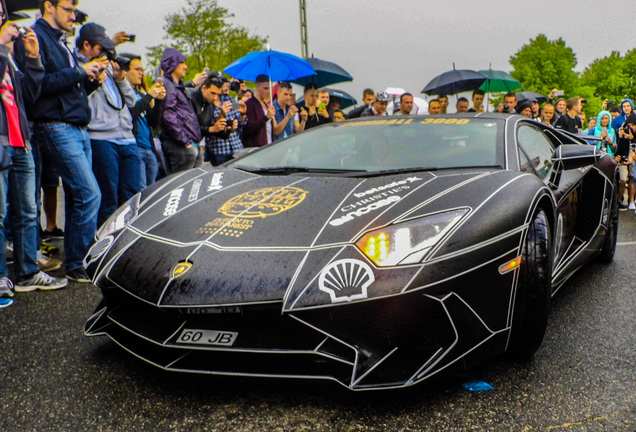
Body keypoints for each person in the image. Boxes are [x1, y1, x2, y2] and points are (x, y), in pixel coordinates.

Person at [18, 0, 108, 284]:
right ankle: (79, 261)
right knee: (89, 193)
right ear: (49, 6)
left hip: (76, 126)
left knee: (77, 194)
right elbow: (38, 87)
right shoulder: (34, 37)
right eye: (69, 9)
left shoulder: (60, 41)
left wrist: (91, 80)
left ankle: (75, 260)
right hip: (55, 126)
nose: (73, 16)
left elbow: (66, 86)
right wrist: (81, 71)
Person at [0, 12, 68, 304]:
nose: (12, 25)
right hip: (2, 141)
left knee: (28, 211)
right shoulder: (3, 50)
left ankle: (28, 273)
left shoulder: (12, 54)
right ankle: (3, 277)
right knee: (0, 214)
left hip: (21, 141)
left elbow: (28, 93)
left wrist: (33, 57)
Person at [75, 24, 141, 228]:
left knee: (132, 197)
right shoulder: (80, 66)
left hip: (128, 139)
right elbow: (80, 98)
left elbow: (133, 102)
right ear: (87, 45)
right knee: (109, 198)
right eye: (100, 48)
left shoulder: (112, 69)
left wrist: (120, 78)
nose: (104, 53)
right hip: (102, 139)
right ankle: (106, 248)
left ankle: (128, 239)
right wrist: (94, 77)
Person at [123, 54, 165, 189]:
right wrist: (149, 97)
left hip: (149, 149)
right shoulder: (122, 93)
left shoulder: (141, 95)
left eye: (142, 70)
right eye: (137, 69)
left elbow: (153, 122)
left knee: (151, 192)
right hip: (135, 148)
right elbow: (131, 115)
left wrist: (158, 101)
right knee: (140, 192)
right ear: (125, 71)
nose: (141, 73)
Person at [159, 47, 203, 173]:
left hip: (190, 144)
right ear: (172, 64)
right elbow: (168, 115)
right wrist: (185, 141)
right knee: (182, 186)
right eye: (182, 63)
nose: (186, 67)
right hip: (181, 146)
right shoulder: (167, 85)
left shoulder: (177, 86)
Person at [197, 75, 247, 165]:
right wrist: (222, 114)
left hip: (236, 147)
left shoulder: (229, 100)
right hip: (218, 150)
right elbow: (210, 127)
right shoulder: (207, 104)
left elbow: (241, 124)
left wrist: (242, 114)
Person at [243, 74, 275, 147]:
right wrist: (266, 117)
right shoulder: (249, 104)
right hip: (257, 147)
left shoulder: (266, 105)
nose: (268, 91)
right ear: (257, 87)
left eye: (270, 88)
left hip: (268, 144)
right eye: (265, 88)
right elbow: (248, 128)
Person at [614, 112, 636, 210]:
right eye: (629, 126)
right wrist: (621, 137)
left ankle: (631, 201)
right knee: (623, 179)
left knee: (633, 177)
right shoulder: (624, 132)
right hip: (623, 159)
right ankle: (618, 201)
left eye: (633, 125)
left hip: (633, 159)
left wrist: (632, 138)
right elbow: (619, 150)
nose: (631, 128)